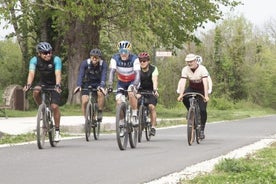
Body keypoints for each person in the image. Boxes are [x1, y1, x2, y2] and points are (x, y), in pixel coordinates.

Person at [23, 42, 62, 142]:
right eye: (45, 53)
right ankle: (42, 109)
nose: (48, 54)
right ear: (39, 53)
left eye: (49, 52)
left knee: (54, 107)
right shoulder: (34, 60)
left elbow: (58, 73)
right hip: (43, 83)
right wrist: (28, 84)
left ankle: (57, 132)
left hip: (54, 84)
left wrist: (58, 85)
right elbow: (31, 73)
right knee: (35, 91)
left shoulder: (56, 59)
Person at [107, 40, 140, 128]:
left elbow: (137, 73)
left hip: (133, 81)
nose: (123, 54)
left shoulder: (134, 59)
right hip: (121, 82)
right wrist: (110, 84)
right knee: (118, 102)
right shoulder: (115, 58)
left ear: (129, 51)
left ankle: (134, 115)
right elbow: (112, 72)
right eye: (121, 51)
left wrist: (135, 85)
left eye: (125, 51)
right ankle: (121, 122)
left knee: (131, 92)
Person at [177, 53, 210, 139]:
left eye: (191, 61)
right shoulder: (185, 69)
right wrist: (181, 94)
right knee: (184, 97)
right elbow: (183, 81)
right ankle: (190, 111)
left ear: (195, 61)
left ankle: (202, 129)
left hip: (201, 89)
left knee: (203, 110)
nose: (189, 63)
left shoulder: (202, 69)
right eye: (188, 62)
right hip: (191, 88)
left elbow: (205, 82)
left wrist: (206, 96)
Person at [74, 48, 108, 122]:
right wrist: (79, 85)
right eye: (93, 57)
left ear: (100, 58)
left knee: (100, 93)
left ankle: (99, 111)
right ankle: (86, 120)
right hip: (87, 83)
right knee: (85, 100)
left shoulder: (103, 64)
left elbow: (104, 76)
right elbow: (81, 75)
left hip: (98, 83)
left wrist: (102, 86)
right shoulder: (85, 63)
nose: (94, 59)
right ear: (90, 57)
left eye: (97, 57)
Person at [137, 52, 159, 136]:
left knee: (151, 107)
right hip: (139, 90)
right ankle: (136, 120)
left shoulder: (153, 69)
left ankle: (153, 127)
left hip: (150, 91)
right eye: (140, 61)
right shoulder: (137, 69)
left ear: (148, 61)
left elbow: (155, 80)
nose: (142, 62)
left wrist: (155, 90)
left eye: (144, 61)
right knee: (135, 104)